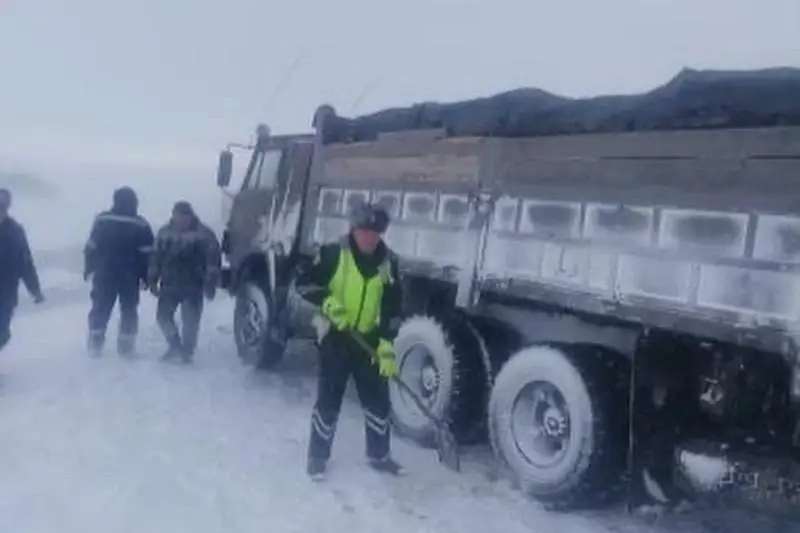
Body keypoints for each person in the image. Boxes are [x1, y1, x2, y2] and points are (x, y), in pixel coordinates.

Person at [298, 201, 404, 481]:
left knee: (378, 402)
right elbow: (304, 283)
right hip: (336, 338)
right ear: (353, 229)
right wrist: (329, 304)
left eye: (375, 232)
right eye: (364, 231)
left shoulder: (389, 262)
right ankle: (318, 457)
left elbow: (393, 307)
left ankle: (379, 455)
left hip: (367, 339)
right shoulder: (334, 253)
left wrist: (387, 345)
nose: (369, 237)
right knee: (329, 401)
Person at [83, 186, 154, 356]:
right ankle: (126, 345)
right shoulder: (141, 224)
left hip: (104, 272)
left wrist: (89, 267)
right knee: (129, 308)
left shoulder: (102, 219)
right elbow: (146, 253)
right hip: (129, 274)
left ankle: (95, 341)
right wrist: (146, 276)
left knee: (100, 307)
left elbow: (91, 246)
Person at [148, 201, 221, 364]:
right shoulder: (164, 232)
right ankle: (174, 345)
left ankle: (187, 352)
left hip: (193, 284)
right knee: (163, 317)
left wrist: (210, 284)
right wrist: (152, 279)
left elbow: (213, 261)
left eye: (183, 216)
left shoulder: (204, 234)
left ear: (190, 216)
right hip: (169, 283)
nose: (179, 220)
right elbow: (155, 257)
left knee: (190, 321)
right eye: (176, 216)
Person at [0, 188, 45, 352]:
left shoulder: (15, 231)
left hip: (6, 292)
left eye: (3, 207)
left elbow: (25, 263)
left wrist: (35, 290)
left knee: (2, 333)